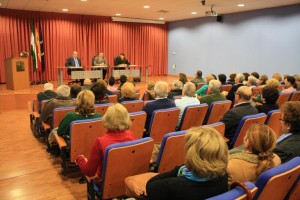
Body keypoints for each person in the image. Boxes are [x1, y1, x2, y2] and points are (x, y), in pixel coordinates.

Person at [146, 126, 228, 200]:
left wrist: (184, 166)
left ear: (192, 154)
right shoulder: (223, 175)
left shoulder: (174, 186)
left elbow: (150, 186)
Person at [75, 103, 136, 177]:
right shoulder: (131, 134)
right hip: (128, 178)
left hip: (105, 183)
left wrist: (79, 159)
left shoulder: (100, 142)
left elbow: (89, 172)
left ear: (106, 119)